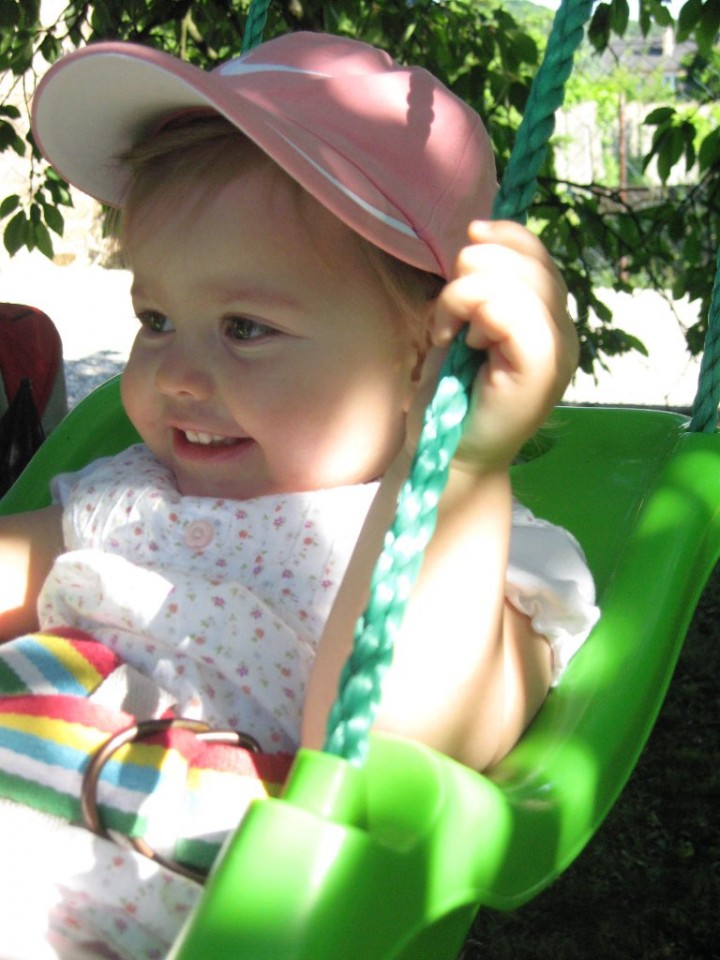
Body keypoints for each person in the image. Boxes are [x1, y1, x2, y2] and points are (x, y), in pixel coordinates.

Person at [0, 31, 598, 958]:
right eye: (156, 318)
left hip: (144, 892)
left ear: (426, 355)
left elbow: (379, 755)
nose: (175, 374)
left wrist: (458, 470)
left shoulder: (474, 554)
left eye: (245, 327)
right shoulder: (134, 495)